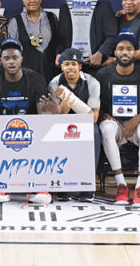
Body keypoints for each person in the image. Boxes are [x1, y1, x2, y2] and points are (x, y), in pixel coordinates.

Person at [0, 38, 58, 204]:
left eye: (15, 57)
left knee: (44, 131)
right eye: (6, 58)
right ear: (1, 61)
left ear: (22, 58)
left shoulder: (36, 79)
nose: (11, 62)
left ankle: (40, 186)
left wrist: (52, 112)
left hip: (31, 131)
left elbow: (43, 116)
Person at [97, 35, 140, 206]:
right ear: (114, 52)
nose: (125, 52)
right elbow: (95, 104)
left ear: (135, 52)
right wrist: (103, 114)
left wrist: (136, 120)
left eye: (129, 49)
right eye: (121, 49)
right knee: (106, 128)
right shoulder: (103, 74)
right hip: (115, 126)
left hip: (136, 127)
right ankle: (121, 184)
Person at [49, 47, 101, 201]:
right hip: (64, 121)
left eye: (74, 64)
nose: (70, 68)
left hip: (86, 122)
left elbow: (94, 117)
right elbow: (58, 115)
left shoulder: (92, 82)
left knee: (95, 133)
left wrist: (69, 97)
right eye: (66, 64)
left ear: (80, 66)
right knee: (56, 133)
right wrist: (66, 101)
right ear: (61, 66)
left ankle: (88, 185)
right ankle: (63, 185)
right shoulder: (55, 82)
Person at [56, 0, 117, 75]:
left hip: (96, 65)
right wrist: (58, 53)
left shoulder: (104, 7)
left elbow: (112, 35)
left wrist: (100, 53)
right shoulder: (65, 9)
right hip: (71, 66)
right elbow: (62, 37)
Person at [8, 0, 59, 80]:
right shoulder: (15, 22)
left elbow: (58, 41)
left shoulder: (52, 17)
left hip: (52, 72)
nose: (32, 1)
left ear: (40, 0)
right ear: (23, 1)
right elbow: (12, 50)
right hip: (27, 75)